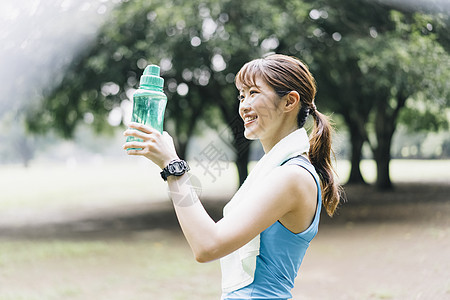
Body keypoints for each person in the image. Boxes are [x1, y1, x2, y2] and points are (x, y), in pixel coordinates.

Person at [123, 54, 343, 299]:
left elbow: (207, 246)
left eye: (254, 93)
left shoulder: (292, 176)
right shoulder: (278, 170)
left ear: (289, 101)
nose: (244, 105)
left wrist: (172, 166)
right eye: (241, 95)